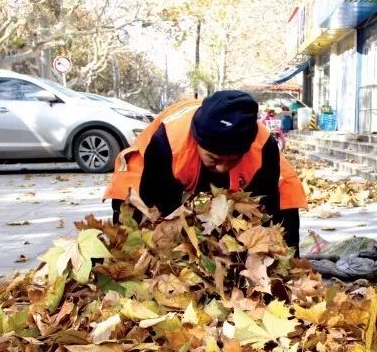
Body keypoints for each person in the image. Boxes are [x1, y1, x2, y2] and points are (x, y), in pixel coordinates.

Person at [104, 90, 306, 253]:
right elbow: (158, 210)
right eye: (215, 159)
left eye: (232, 160)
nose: (222, 168)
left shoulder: (263, 147)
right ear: (196, 140)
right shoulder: (167, 143)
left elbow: (269, 210)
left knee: (286, 193)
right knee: (141, 228)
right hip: (156, 170)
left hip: (253, 168)